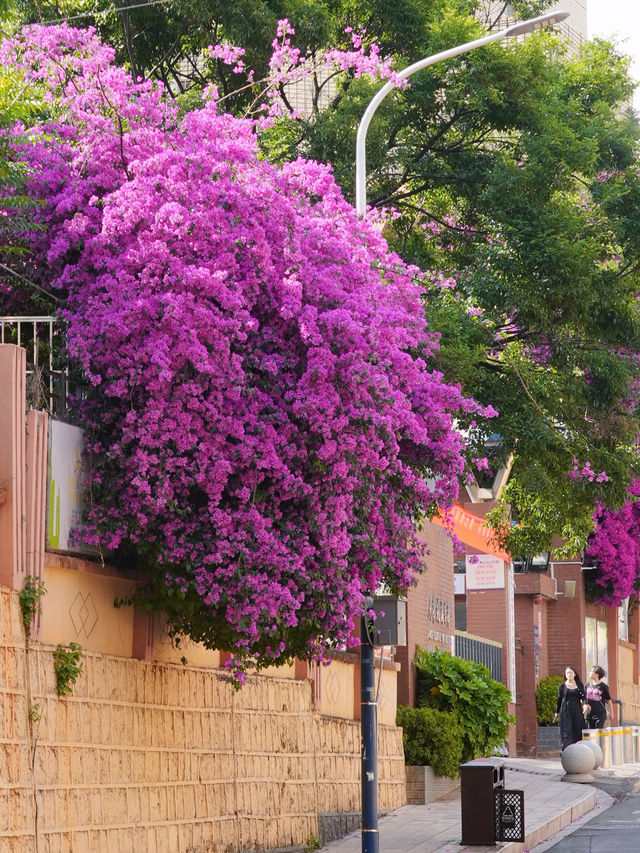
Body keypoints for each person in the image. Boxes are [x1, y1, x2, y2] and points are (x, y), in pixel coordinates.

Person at [553, 666, 586, 749]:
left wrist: (585, 704)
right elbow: (559, 699)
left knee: (578, 727)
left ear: (574, 674)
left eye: (571, 672)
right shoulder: (562, 686)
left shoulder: (579, 685)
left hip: (577, 709)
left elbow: (583, 697)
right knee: (566, 729)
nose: (569, 674)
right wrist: (556, 711)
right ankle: (567, 748)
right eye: (567, 673)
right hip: (565, 709)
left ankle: (578, 748)